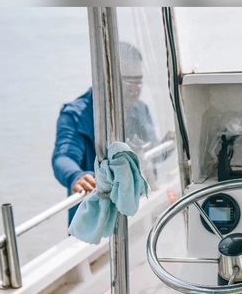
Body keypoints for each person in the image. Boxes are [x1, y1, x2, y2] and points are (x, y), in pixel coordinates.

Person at [51, 41, 164, 222]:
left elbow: (155, 153)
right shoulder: (75, 116)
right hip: (96, 219)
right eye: (128, 80)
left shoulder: (141, 109)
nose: (135, 88)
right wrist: (76, 176)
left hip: (138, 213)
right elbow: (63, 158)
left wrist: (171, 142)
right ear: (104, 77)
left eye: (139, 80)